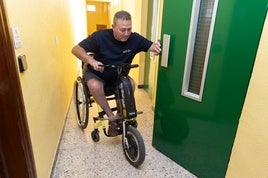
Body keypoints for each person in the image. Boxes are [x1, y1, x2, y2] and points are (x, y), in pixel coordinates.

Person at [72, 10, 161, 136]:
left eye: (129, 29)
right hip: (98, 74)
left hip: (118, 76)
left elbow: (151, 46)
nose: (126, 33)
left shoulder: (134, 38)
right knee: (95, 86)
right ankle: (111, 118)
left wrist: (157, 47)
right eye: (122, 30)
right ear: (113, 27)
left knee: (130, 83)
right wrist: (91, 60)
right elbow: (75, 49)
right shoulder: (100, 37)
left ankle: (122, 115)